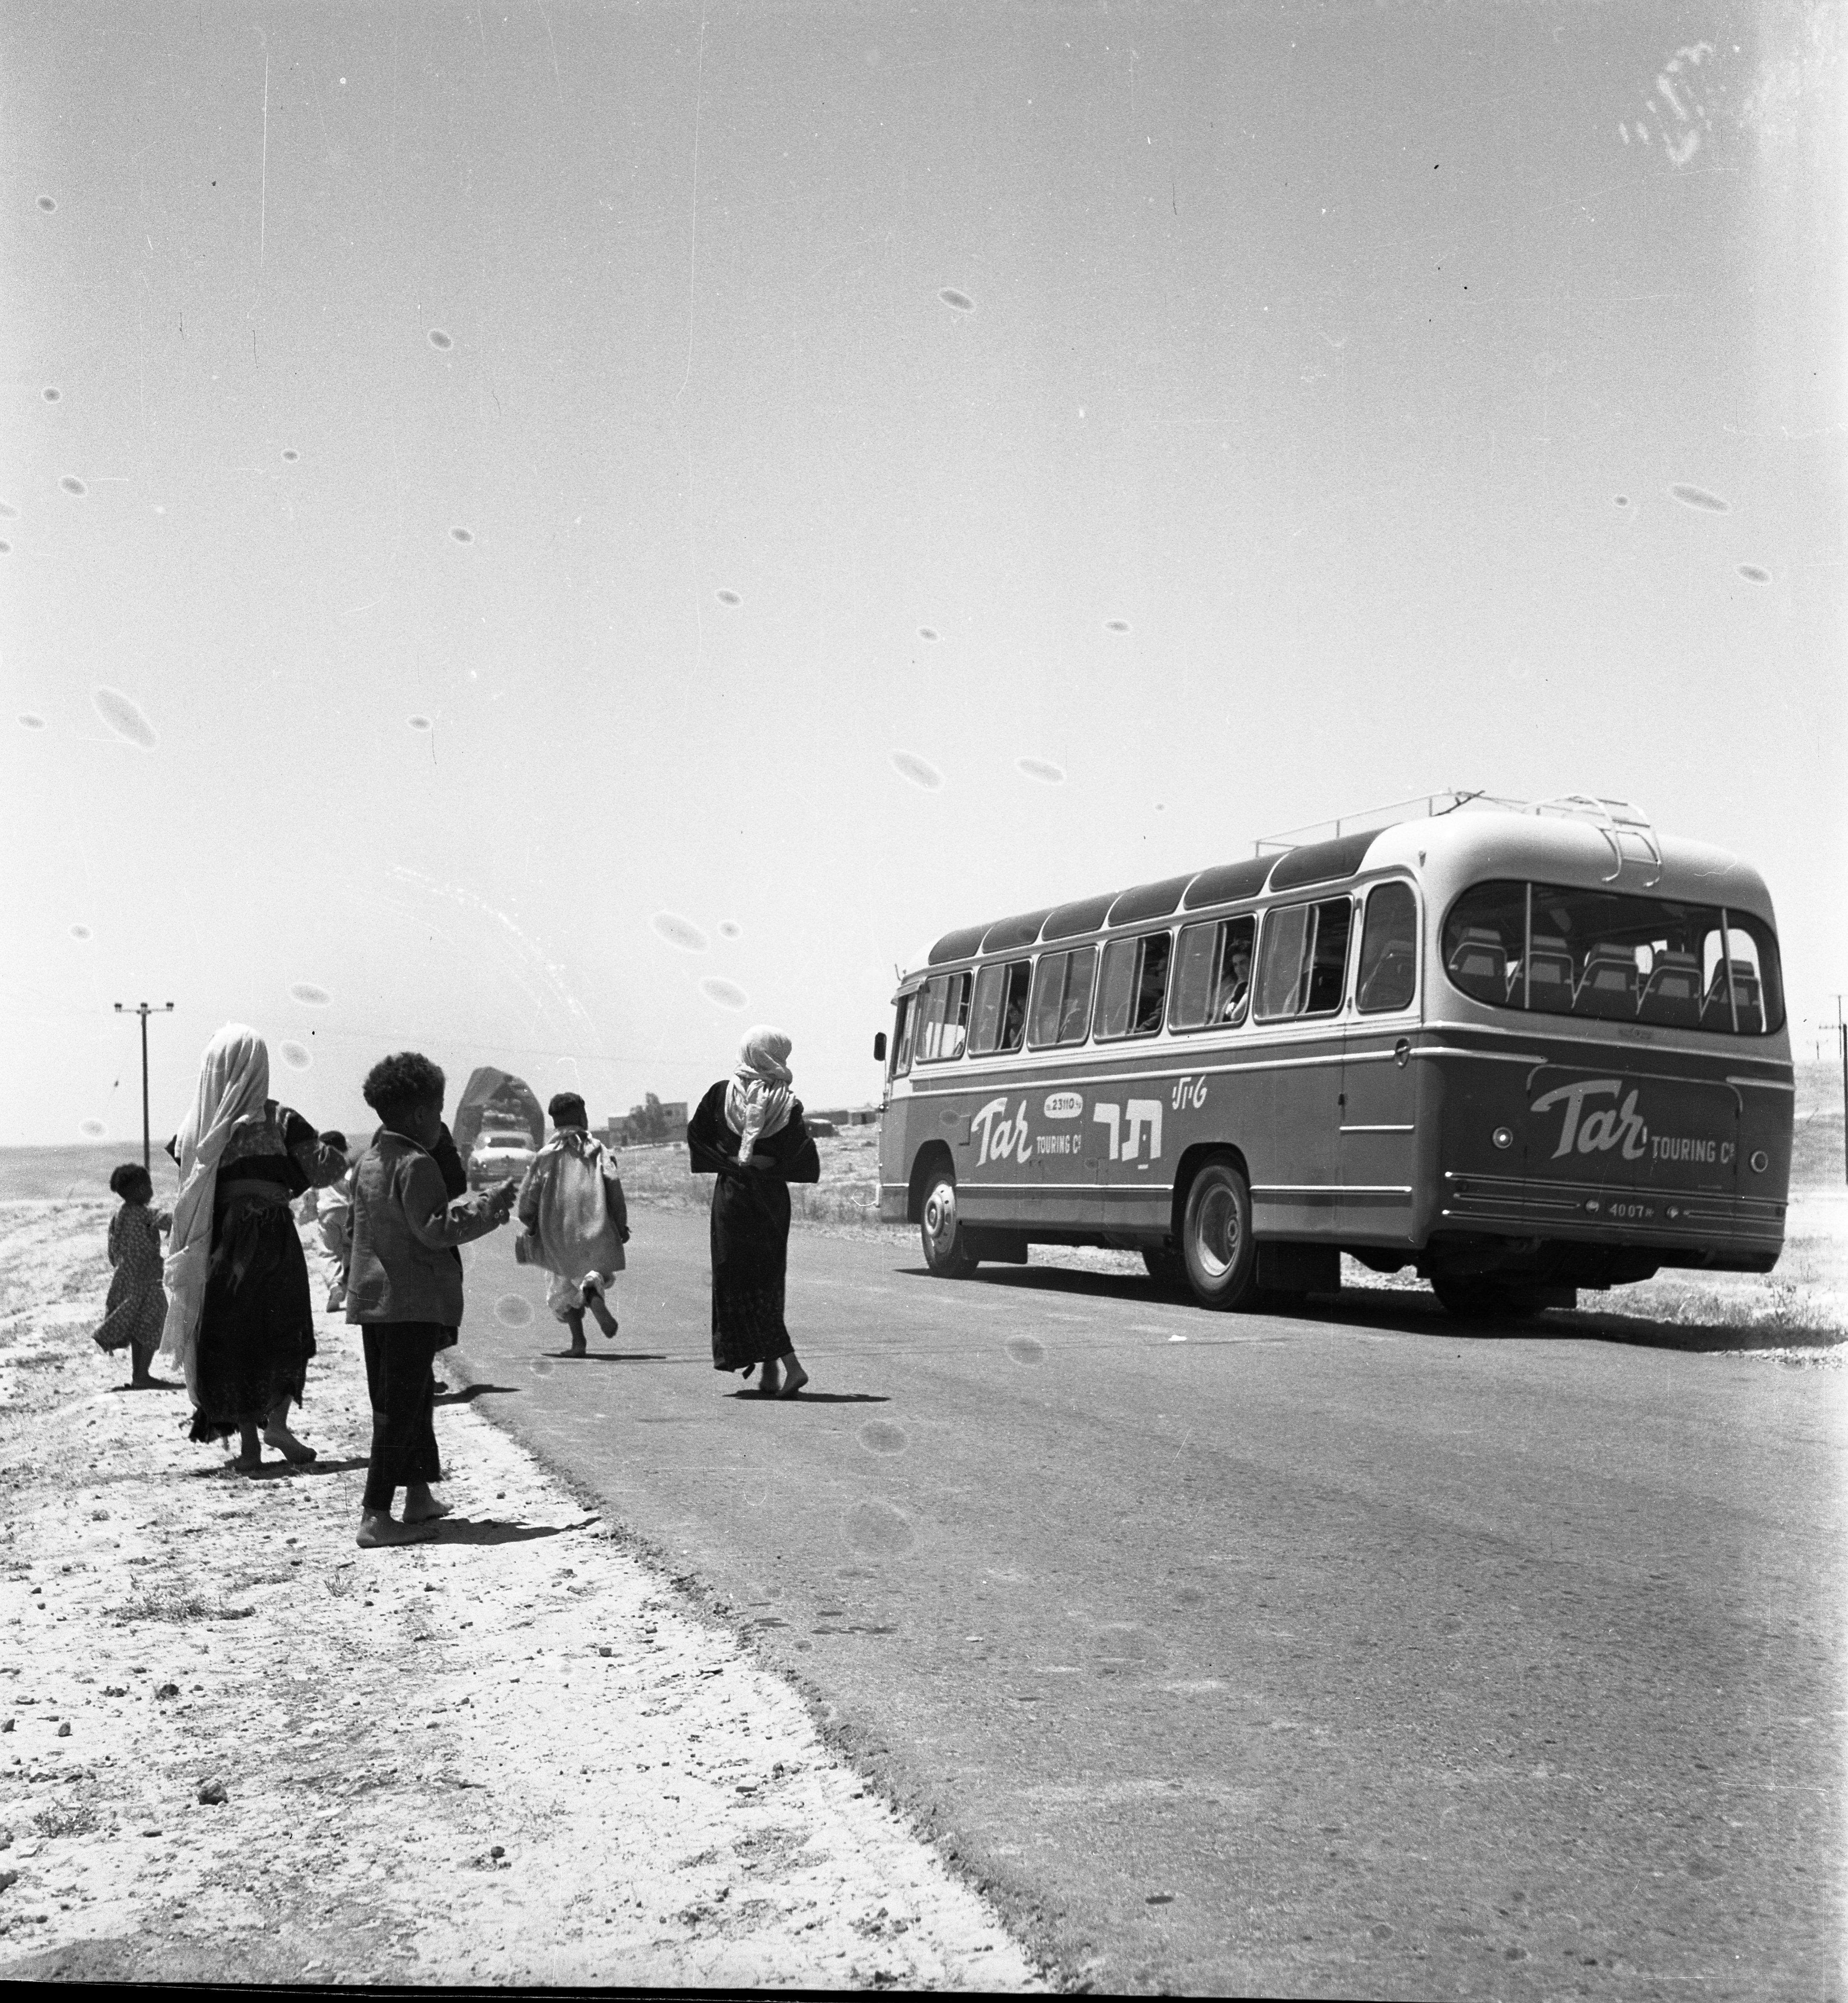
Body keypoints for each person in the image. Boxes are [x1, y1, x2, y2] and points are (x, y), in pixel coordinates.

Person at [346, 1051, 519, 1549]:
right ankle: (376, 1517)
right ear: (422, 1114)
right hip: (411, 1302)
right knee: (401, 1409)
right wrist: (488, 1208)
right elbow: (435, 1229)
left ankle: (417, 1496)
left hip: (375, 1301)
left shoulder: (371, 1160)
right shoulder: (418, 1164)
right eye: (439, 1110)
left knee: (407, 1398)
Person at [159, 1025, 348, 1471]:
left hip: (222, 1246)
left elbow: (190, 1185)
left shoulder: (195, 1127)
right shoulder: (281, 1120)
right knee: (285, 1330)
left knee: (233, 1338)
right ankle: (278, 1421)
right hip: (273, 1238)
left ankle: (250, 1448)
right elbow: (325, 1171)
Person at [687, 1027, 820, 1398]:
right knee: (766, 1281)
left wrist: (733, 1163)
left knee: (738, 1280)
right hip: (770, 1201)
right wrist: (767, 1163)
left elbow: (697, 1137)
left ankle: (791, 1366)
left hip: (735, 1198)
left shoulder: (722, 1094)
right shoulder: (787, 1101)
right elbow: (802, 1156)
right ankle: (770, 1371)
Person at [516, 1092, 630, 1357]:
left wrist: (530, 1221)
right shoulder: (600, 1151)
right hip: (595, 1227)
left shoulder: (544, 1156)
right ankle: (592, 1290)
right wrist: (621, 1226)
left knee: (562, 1287)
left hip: (556, 1233)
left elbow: (528, 1199)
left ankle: (578, 1343)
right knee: (591, 1272)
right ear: (582, 1118)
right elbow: (614, 1188)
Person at [95, 1162, 171, 1389]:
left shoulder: (119, 1215)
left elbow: (112, 1248)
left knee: (139, 1323)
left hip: (126, 1277)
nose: (151, 1190)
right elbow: (170, 1220)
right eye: (149, 1185)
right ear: (141, 1189)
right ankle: (141, 1374)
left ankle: (140, 1375)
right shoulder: (145, 1213)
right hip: (147, 1279)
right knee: (151, 1322)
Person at [314, 1131, 354, 1313]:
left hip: (328, 1214)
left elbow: (310, 1196)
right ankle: (352, 1289)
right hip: (351, 1214)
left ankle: (335, 1286)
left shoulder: (319, 1170)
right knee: (351, 1251)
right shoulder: (350, 1169)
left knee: (329, 1253)